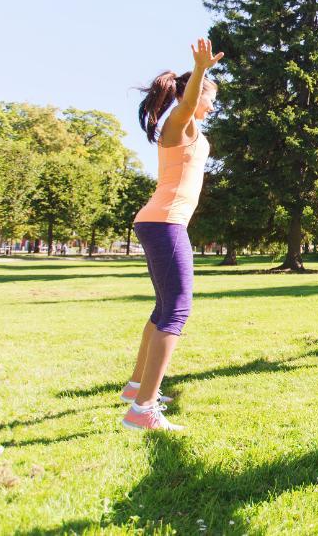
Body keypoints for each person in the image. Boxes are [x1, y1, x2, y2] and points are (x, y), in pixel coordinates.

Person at [122, 39, 222, 431]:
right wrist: (199, 72)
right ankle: (143, 410)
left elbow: (192, 106)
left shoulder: (188, 126)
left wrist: (199, 77)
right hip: (164, 223)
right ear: (191, 95)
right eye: (210, 97)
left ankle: (136, 389)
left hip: (160, 222)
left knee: (164, 308)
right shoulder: (176, 124)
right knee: (177, 309)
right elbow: (189, 101)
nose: (212, 105)